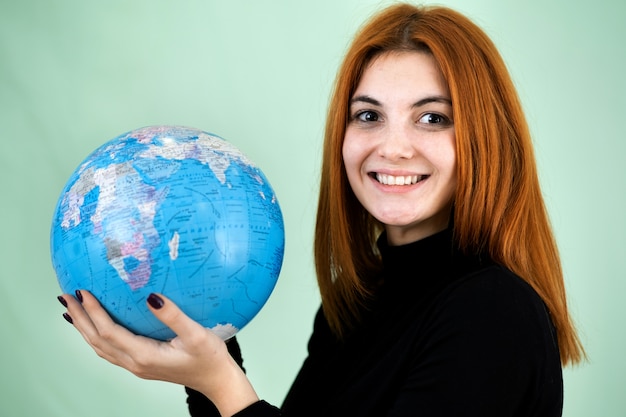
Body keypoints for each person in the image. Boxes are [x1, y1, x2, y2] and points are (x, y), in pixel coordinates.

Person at [58, 3, 584, 416]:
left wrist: (220, 381)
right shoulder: (357, 304)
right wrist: (207, 363)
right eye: (368, 115)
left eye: (432, 119)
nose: (393, 147)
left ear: (487, 139)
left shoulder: (493, 313)